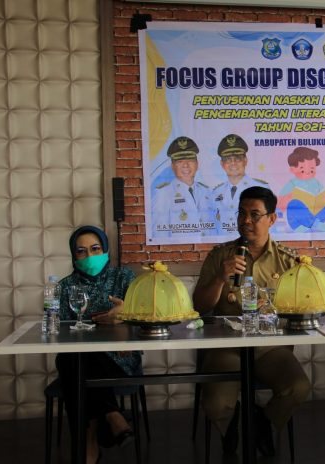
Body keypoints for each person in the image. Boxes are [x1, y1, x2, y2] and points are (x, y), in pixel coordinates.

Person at [192, 186, 311, 456]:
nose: (246, 221)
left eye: (255, 215)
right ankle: (230, 426)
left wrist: (272, 307)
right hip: (227, 347)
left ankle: (261, 423)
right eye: (242, 214)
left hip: (271, 348)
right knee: (216, 404)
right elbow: (200, 306)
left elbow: (301, 306)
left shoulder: (288, 261)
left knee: (298, 387)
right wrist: (221, 279)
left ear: (271, 219)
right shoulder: (220, 256)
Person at [56, 225, 141, 464]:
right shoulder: (64, 286)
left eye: (95, 249)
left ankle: (88, 446)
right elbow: (61, 332)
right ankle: (113, 414)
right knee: (75, 356)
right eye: (81, 251)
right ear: (74, 256)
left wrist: (125, 315)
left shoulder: (124, 277)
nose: (90, 256)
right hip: (80, 357)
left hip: (119, 356)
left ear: (105, 249)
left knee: (74, 364)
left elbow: (144, 317)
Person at [152, 136, 213, 238]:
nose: (186, 165)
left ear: (197, 164)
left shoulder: (207, 192)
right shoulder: (163, 194)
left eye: (190, 160)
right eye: (180, 161)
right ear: (172, 166)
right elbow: (160, 234)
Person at [211, 133, 270, 234]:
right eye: (228, 159)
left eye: (237, 158)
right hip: (224, 245)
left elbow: (269, 223)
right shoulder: (216, 192)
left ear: (245, 161)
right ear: (222, 164)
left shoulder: (261, 188)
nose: (233, 163)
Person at [277, 146, 325, 232]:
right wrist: (288, 198)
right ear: (292, 170)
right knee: (294, 203)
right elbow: (279, 204)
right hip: (298, 220)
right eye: (302, 170)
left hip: (315, 212)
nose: (308, 172)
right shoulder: (292, 184)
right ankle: (311, 224)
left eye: (312, 170)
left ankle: (315, 223)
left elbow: (322, 194)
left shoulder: (316, 182)